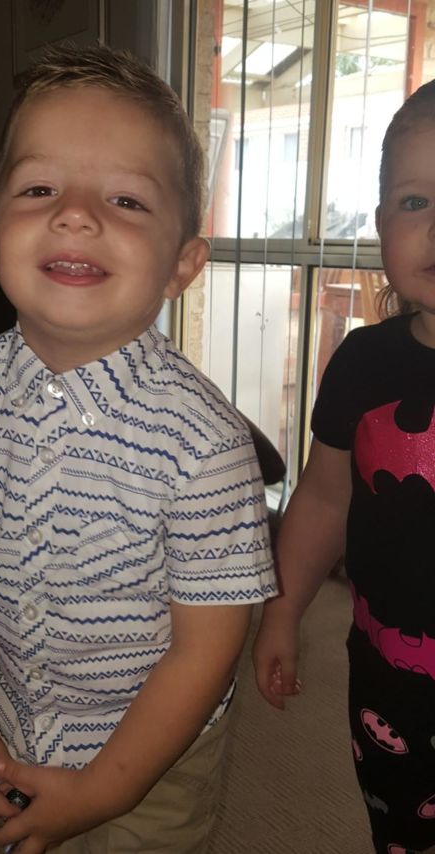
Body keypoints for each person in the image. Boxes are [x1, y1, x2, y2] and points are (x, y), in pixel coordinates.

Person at [0, 42, 276, 854]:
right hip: (12, 719)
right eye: (40, 189)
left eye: (126, 199)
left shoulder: (205, 446)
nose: (75, 214)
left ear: (182, 265)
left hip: (153, 751)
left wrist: (108, 788)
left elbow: (208, 642)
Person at [252, 78, 435, 854]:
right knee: (398, 825)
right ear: (381, 223)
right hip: (389, 675)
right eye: (416, 202)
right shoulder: (362, 364)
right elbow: (325, 500)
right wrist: (283, 611)